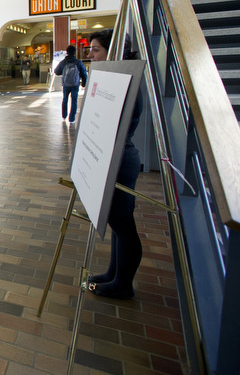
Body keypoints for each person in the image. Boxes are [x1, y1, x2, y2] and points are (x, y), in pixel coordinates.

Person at [87, 29, 144, 299]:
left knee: (124, 225)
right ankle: (114, 273)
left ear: (114, 51)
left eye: (96, 49)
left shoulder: (124, 81)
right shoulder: (114, 79)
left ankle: (123, 284)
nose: (90, 54)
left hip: (119, 160)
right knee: (117, 223)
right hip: (110, 158)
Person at [54, 45, 87, 124]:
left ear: (67, 52)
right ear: (75, 52)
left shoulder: (63, 62)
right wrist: (83, 83)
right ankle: (72, 119)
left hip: (66, 84)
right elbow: (83, 73)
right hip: (75, 84)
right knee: (74, 101)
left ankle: (64, 116)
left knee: (65, 99)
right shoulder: (78, 62)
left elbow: (56, 71)